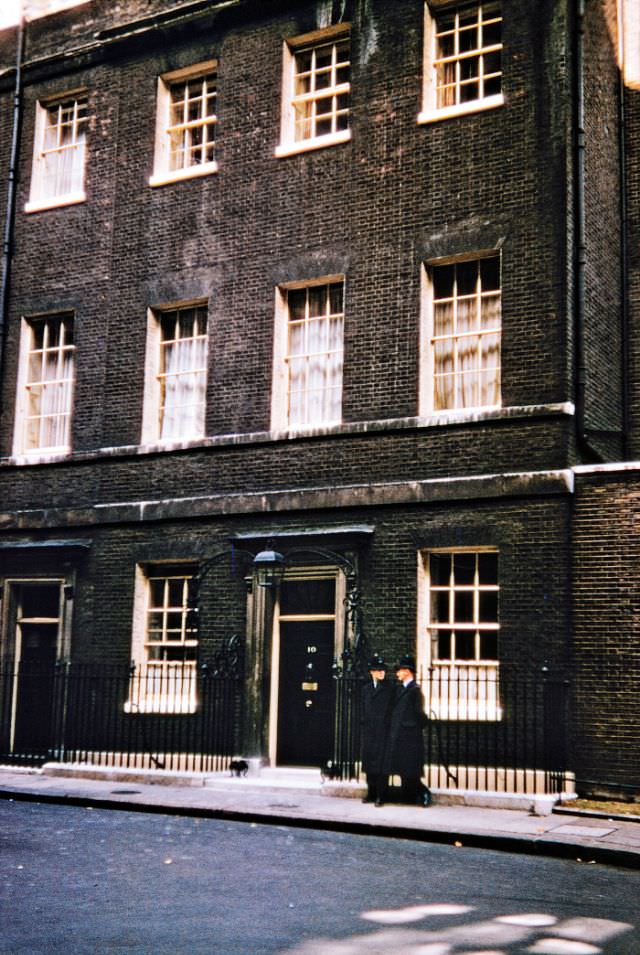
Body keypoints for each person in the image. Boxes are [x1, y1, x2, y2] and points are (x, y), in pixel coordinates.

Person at [385, 654, 428, 806]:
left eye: (400, 670)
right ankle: (407, 796)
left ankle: (423, 794)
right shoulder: (400, 689)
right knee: (404, 767)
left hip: (410, 736)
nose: (397, 673)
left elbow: (420, 714)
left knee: (411, 768)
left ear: (408, 671)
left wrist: (413, 726)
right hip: (400, 735)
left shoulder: (415, 690)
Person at [360, 653, 393, 806]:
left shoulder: (389, 689)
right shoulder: (366, 689)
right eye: (378, 670)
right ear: (372, 672)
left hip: (383, 732)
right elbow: (362, 710)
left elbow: (392, 711)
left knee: (381, 766)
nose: (382, 672)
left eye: (383, 670)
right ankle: (371, 793)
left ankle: (381, 795)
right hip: (369, 732)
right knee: (369, 765)